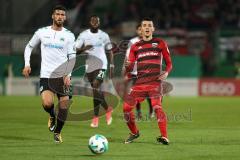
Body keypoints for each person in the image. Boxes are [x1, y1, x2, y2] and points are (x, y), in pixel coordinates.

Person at [22, 5, 76, 143]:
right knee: (47, 103)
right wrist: (27, 64)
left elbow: (72, 56)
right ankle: (52, 115)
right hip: (46, 75)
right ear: (53, 16)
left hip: (63, 75)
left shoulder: (69, 35)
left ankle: (57, 132)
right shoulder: (41, 32)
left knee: (64, 107)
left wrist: (68, 74)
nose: (59, 16)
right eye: (57, 14)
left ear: (65, 17)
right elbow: (29, 47)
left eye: (62, 14)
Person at [123, 18, 172, 145]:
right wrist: (128, 65)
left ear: (153, 29)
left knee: (157, 107)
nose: (147, 27)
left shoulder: (160, 43)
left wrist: (166, 72)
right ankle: (134, 132)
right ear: (141, 28)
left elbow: (169, 63)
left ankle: (164, 136)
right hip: (140, 84)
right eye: (144, 25)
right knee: (126, 108)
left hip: (155, 83)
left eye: (149, 25)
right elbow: (130, 66)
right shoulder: (135, 46)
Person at [75, 15, 114, 128]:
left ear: (99, 23)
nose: (95, 22)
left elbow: (110, 50)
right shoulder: (83, 35)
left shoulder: (104, 35)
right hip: (90, 66)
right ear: (89, 22)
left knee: (96, 86)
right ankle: (107, 110)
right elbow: (76, 50)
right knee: (95, 91)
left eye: (97, 21)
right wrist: (83, 49)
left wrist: (111, 65)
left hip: (102, 65)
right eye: (93, 20)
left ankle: (95, 117)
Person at [124, 23, 153, 120]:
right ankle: (139, 112)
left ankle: (151, 111)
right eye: (139, 29)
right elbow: (127, 56)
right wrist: (125, 70)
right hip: (135, 72)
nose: (141, 31)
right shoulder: (132, 41)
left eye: (143, 29)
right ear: (137, 31)